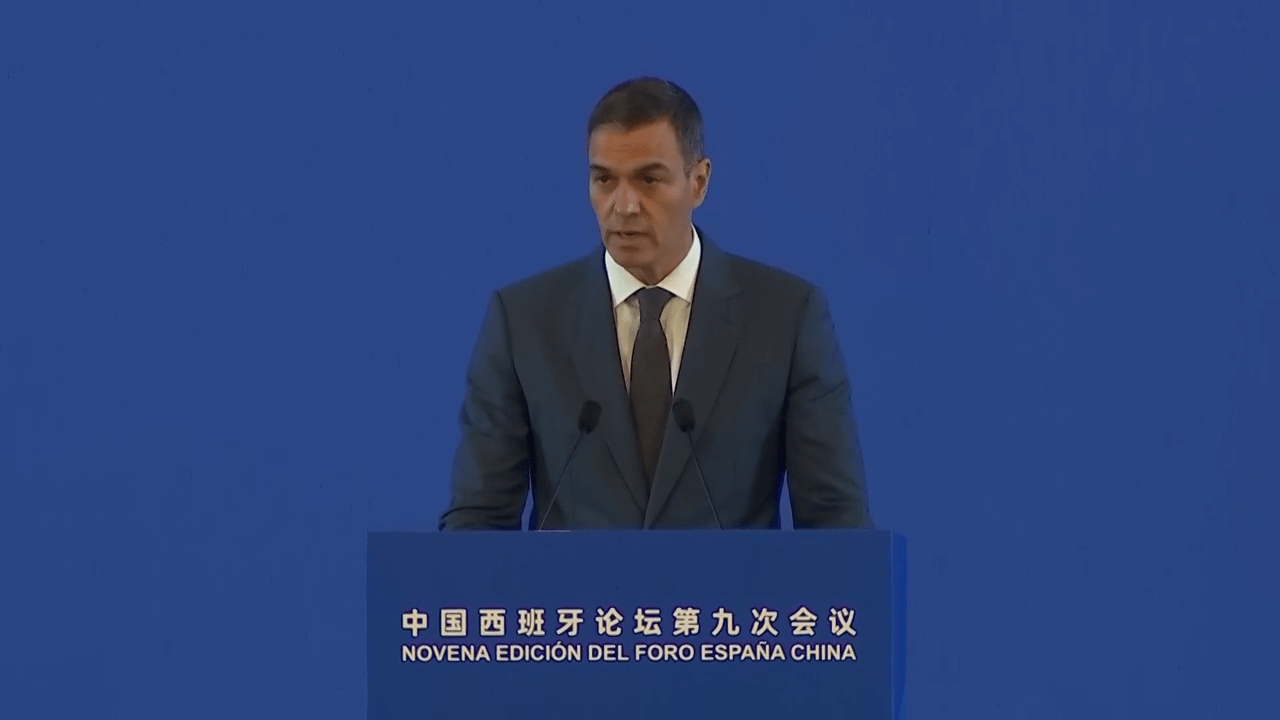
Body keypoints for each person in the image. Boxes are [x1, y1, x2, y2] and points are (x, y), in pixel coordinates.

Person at [438, 77, 873, 531]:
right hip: (576, 582)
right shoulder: (524, 322)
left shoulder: (785, 318)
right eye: (604, 179)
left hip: (726, 582)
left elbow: (836, 524)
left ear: (698, 182)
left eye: (649, 179)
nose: (624, 205)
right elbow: (478, 520)